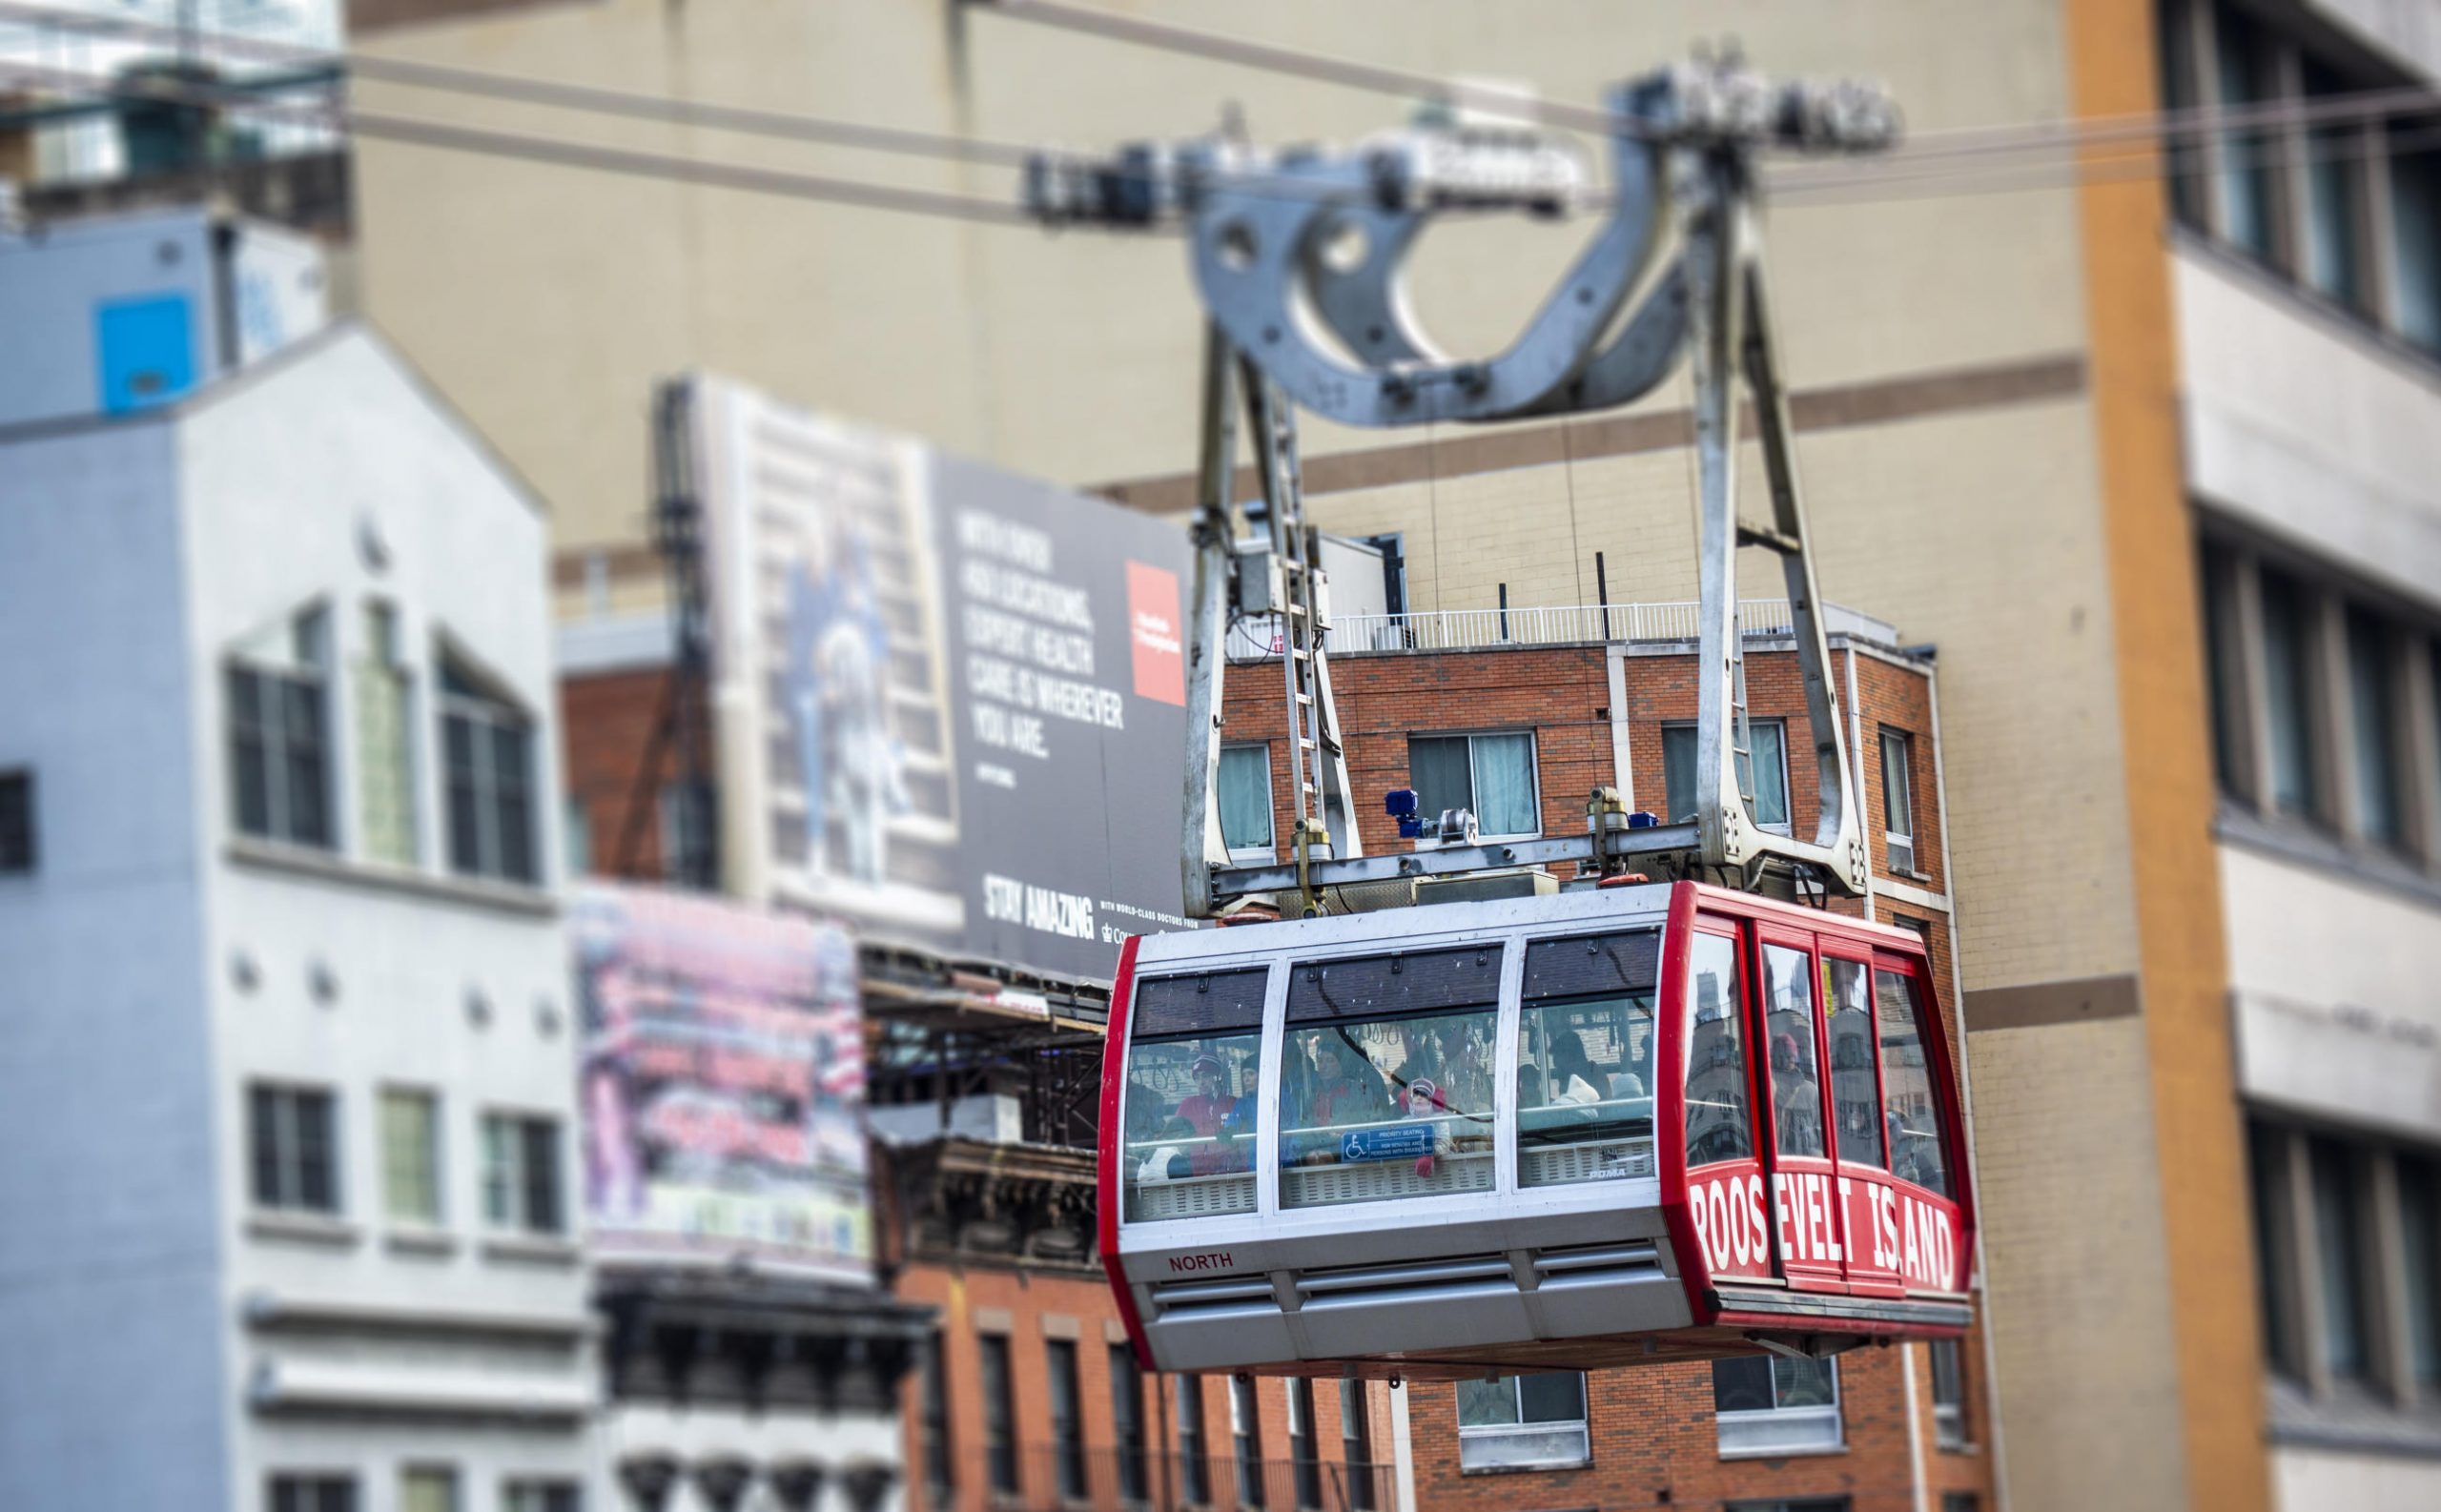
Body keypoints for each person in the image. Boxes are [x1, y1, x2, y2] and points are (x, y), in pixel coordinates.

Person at [1770, 1032, 1824, 1156]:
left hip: (1799, 1159)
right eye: (1783, 1056)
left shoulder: (1810, 1091)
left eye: (1790, 1056)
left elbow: (1820, 1131)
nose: (1789, 1060)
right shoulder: (1770, 1088)